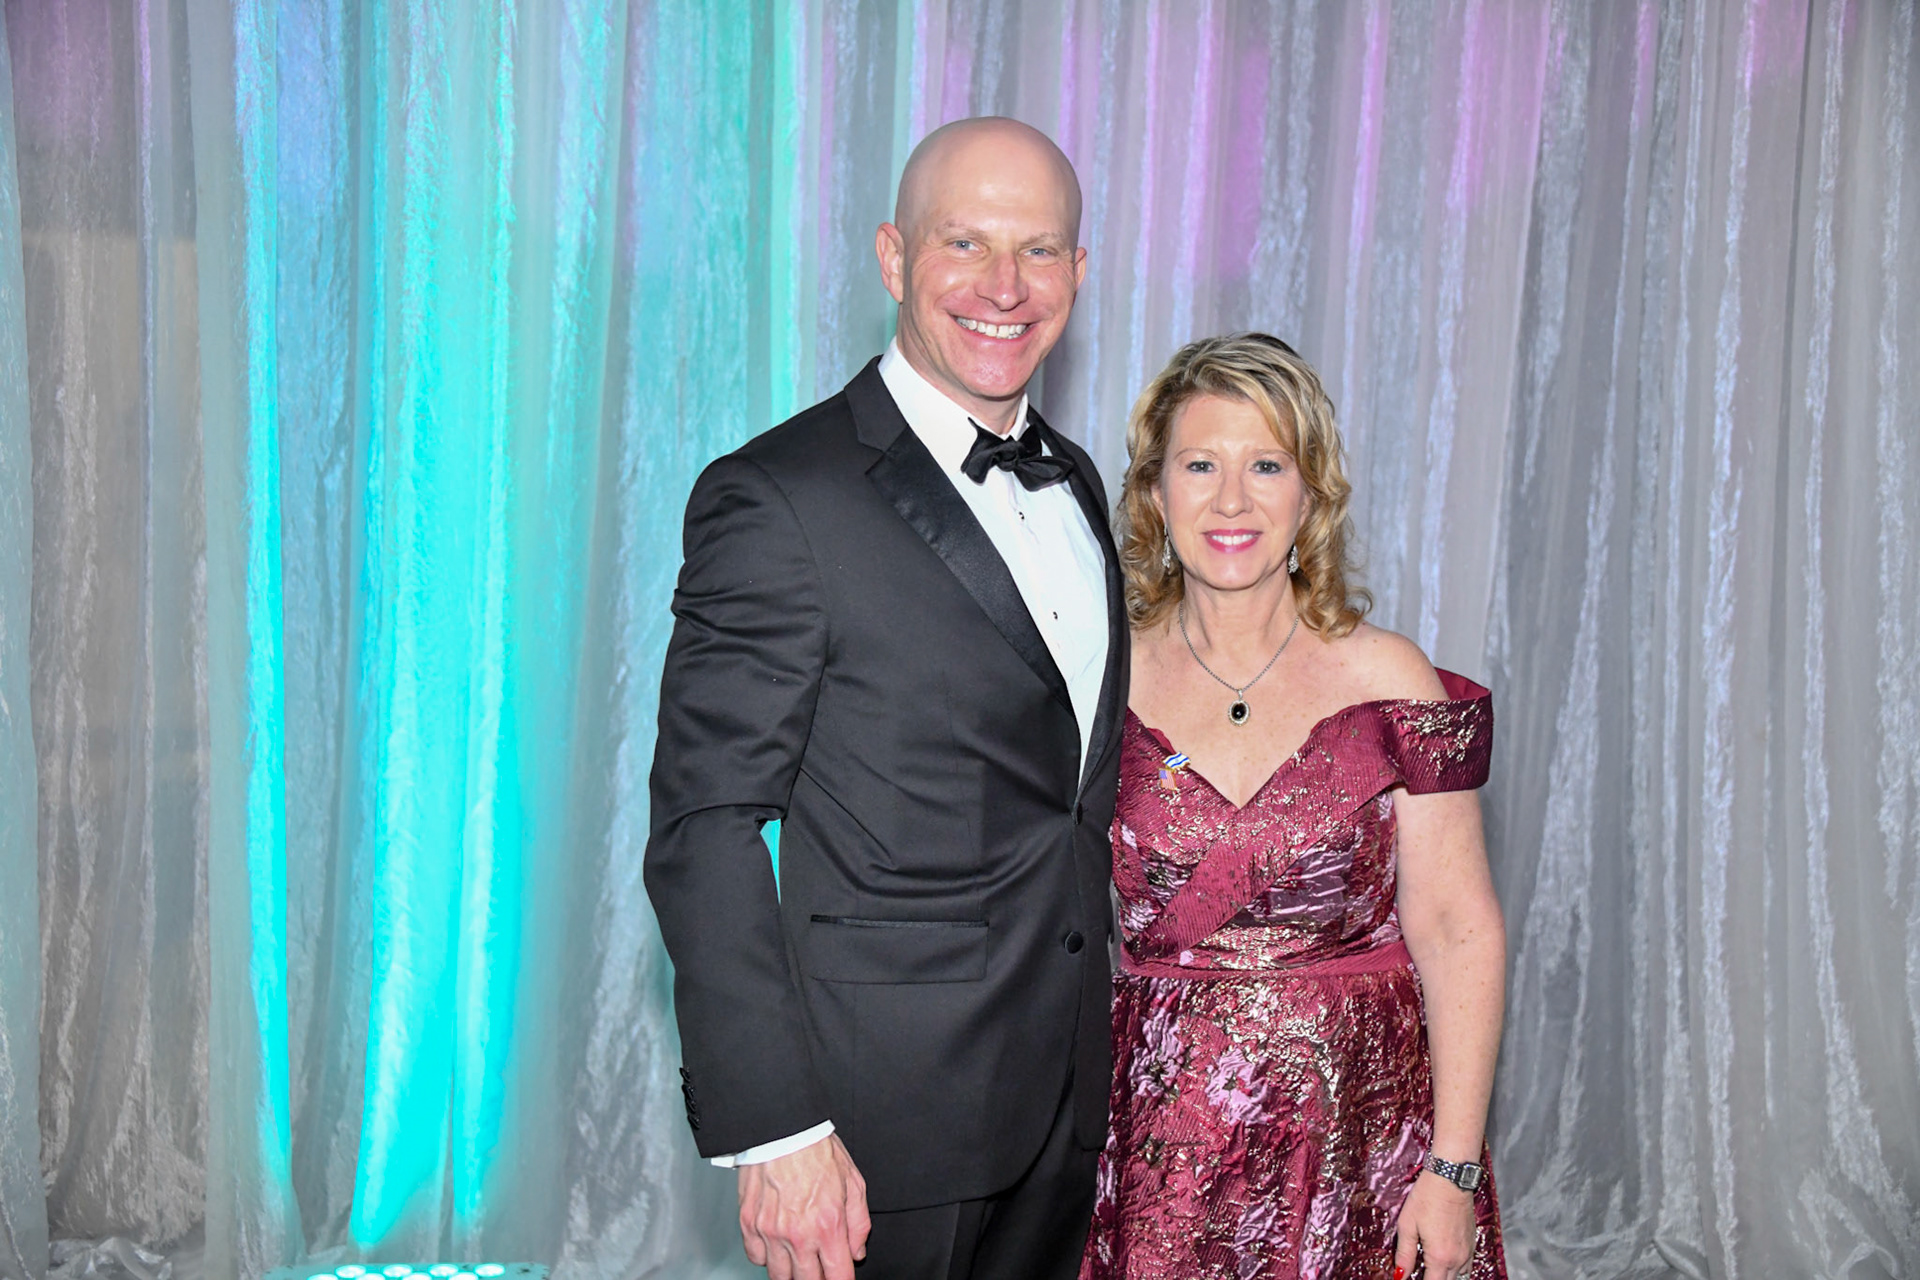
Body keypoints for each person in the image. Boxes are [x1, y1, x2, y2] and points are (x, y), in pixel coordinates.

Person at [644, 117, 1126, 1280]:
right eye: (965, 242)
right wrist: (778, 1128)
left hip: (1063, 1104)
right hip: (875, 1131)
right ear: (894, 259)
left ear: (1078, 271)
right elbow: (706, 822)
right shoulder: (779, 496)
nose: (1005, 287)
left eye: (1039, 249)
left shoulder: (1080, 480)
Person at [1080, 333, 1509, 1280]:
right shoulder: (1100, 680)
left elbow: (1458, 930)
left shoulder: (1389, 679)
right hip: (1163, 1150)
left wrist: (1453, 1170)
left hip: (1364, 1143)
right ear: (1154, 492)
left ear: (1310, 494)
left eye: (1266, 466)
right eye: (1201, 465)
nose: (1231, 501)